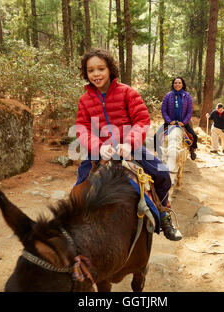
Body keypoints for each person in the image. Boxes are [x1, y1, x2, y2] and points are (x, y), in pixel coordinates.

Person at [74, 48, 182, 241]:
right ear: (86, 73)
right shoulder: (85, 99)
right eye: (91, 71)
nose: (96, 74)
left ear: (110, 69)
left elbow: (141, 120)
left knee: (163, 174)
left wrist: (128, 143)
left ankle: (164, 213)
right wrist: (98, 147)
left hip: (129, 146)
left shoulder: (127, 92)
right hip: (100, 150)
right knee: (78, 189)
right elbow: (82, 128)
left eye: (101, 69)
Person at [154, 77, 198, 160]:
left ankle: (192, 150)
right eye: (175, 83)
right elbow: (164, 110)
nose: (177, 84)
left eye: (179, 83)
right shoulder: (168, 95)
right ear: (173, 84)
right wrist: (169, 121)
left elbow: (189, 111)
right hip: (170, 122)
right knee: (156, 136)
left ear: (182, 84)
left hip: (183, 123)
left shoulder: (187, 96)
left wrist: (184, 122)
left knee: (194, 136)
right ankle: (158, 153)